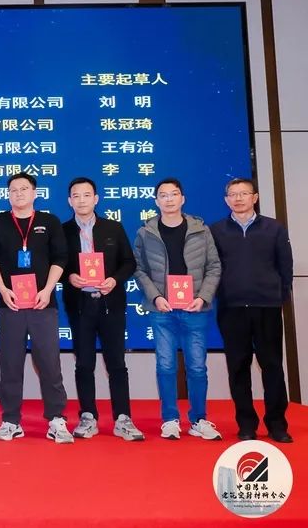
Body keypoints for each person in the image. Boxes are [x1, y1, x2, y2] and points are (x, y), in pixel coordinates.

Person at [0, 172, 72, 444]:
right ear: (8, 194)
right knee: (10, 363)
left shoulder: (49, 221)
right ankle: (11, 420)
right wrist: (3, 288)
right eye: (13, 189)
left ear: (34, 193)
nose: (19, 193)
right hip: (9, 304)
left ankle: (56, 419)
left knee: (49, 362)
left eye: (24, 189)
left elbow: (60, 258)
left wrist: (48, 289)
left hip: (42, 303)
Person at [133, 177, 222, 441]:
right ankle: (170, 419)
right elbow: (138, 268)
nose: (169, 199)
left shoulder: (201, 230)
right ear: (156, 201)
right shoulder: (146, 232)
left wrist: (203, 297)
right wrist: (156, 297)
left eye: (173, 194)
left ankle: (199, 419)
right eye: (163, 195)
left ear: (182, 199)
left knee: (197, 367)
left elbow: (214, 267)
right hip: (162, 309)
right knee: (165, 366)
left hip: (195, 308)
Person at [210, 178, 294, 443]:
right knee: (238, 367)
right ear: (226, 200)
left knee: (272, 366)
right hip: (232, 308)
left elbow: (286, 267)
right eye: (233, 194)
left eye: (244, 193)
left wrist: (278, 296)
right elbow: (211, 268)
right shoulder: (216, 230)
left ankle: (277, 424)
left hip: (267, 307)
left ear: (254, 197)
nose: (238, 198)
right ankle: (246, 424)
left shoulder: (274, 228)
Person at [60, 177, 143, 441]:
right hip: (80, 305)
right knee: (84, 362)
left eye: (87, 195)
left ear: (96, 199)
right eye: (76, 195)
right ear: (69, 201)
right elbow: (55, 265)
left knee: (116, 362)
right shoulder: (62, 231)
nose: (81, 200)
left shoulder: (113, 228)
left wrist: (114, 280)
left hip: (111, 304)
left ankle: (123, 418)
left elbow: (129, 262)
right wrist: (69, 277)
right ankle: (88, 416)